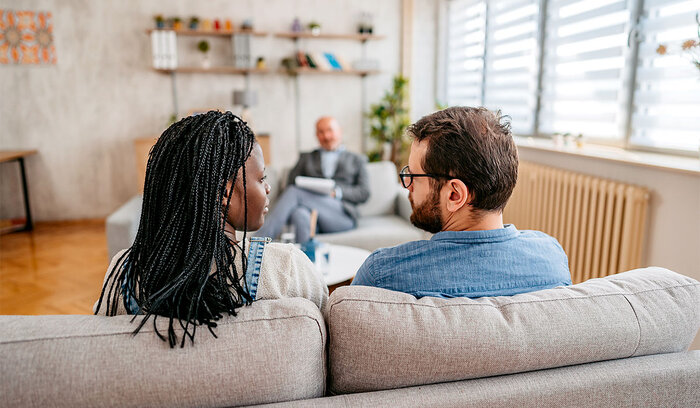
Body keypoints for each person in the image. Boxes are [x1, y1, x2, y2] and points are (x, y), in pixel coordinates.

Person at [94, 111, 328, 347]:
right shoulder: (286, 269)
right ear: (225, 192)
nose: (267, 188)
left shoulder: (124, 273)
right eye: (261, 178)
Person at [352, 106, 571, 298]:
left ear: (454, 195)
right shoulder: (552, 259)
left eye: (414, 176)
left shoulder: (381, 275)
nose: (406, 186)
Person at [255, 116, 370, 243]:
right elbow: (290, 183)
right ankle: (305, 260)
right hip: (312, 216)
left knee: (294, 193)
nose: (326, 136)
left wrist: (337, 192)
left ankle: (258, 242)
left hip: (342, 215)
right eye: (321, 132)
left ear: (340, 131)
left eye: (330, 130)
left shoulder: (357, 159)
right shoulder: (306, 158)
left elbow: (364, 192)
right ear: (316, 135)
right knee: (299, 214)